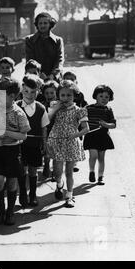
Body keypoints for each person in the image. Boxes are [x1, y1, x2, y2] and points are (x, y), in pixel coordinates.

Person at [0, 78, 31, 225]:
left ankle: (10, 212)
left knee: (12, 182)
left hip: (12, 151)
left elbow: (23, 135)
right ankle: (0, 209)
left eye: (0, 94)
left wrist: (6, 132)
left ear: (12, 96)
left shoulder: (18, 113)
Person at [47, 80, 89, 208]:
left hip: (71, 142)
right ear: (58, 95)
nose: (66, 98)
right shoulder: (54, 105)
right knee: (57, 171)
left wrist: (75, 135)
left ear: (74, 95)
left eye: (69, 95)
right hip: (56, 140)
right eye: (63, 95)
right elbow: (47, 120)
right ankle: (59, 185)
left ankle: (69, 196)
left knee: (69, 172)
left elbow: (86, 128)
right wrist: (55, 109)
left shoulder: (79, 110)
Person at [17, 75, 50, 207]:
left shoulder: (41, 108)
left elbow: (44, 128)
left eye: (33, 92)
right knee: (21, 170)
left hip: (35, 145)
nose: (29, 95)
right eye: (26, 91)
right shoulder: (17, 106)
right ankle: (23, 193)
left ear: (38, 92)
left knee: (33, 170)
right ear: (21, 91)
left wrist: (45, 145)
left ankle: (33, 195)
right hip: (20, 145)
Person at [83, 85, 116, 185]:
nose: (104, 99)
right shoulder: (88, 108)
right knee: (93, 155)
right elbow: (82, 120)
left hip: (103, 137)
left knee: (101, 158)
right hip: (91, 136)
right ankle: (91, 172)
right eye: (101, 96)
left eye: (106, 97)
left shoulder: (108, 110)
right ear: (96, 96)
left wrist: (106, 124)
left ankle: (100, 177)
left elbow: (113, 124)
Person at [25, 12, 64, 80]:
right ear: (37, 24)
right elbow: (30, 60)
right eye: (40, 23)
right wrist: (40, 75)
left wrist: (52, 75)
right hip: (34, 78)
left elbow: (59, 60)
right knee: (2, 90)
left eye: (45, 23)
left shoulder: (58, 40)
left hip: (54, 78)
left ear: (50, 24)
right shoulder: (30, 40)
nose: (42, 25)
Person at [40, 80, 59, 179]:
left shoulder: (60, 105)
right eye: (47, 93)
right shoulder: (42, 105)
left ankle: (56, 172)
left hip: (58, 133)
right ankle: (46, 165)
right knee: (47, 153)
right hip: (46, 131)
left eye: (52, 93)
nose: (49, 95)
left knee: (56, 154)